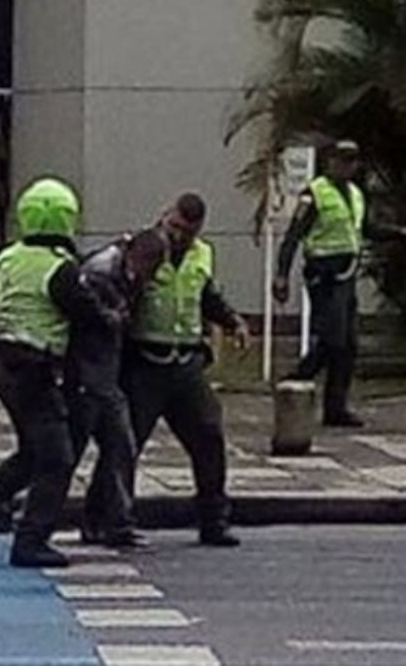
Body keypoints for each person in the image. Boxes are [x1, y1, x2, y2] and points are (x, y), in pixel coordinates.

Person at [0, 178, 117, 568]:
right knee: (58, 459)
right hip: (37, 371)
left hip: (5, 366)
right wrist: (113, 316)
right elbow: (87, 314)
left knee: (33, 453)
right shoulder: (60, 267)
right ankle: (31, 540)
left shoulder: (7, 258)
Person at [110, 192, 250, 548]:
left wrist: (232, 321)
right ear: (164, 215)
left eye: (187, 232)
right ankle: (110, 520)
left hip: (185, 361)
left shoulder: (202, 253)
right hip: (145, 360)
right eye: (173, 226)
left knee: (208, 436)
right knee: (125, 443)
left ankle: (213, 520)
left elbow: (206, 295)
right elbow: (119, 293)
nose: (177, 236)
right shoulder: (142, 248)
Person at [274, 139, 406, 427]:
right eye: (342, 160)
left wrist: (398, 232)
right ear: (330, 162)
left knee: (347, 344)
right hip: (324, 274)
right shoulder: (315, 193)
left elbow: (366, 229)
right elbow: (293, 236)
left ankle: (335, 407)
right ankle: (295, 381)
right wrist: (281, 274)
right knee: (334, 338)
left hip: (347, 274)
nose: (347, 166)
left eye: (352, 161)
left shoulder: (356, 194)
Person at [75, 229, 169, 548]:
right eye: (149, 267)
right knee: (67, 454)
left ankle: (115, 522)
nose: (149, 277)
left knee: (121, 445)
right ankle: (33, 521)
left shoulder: (128, 271)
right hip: (87, 373)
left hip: (106, 373)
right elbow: (95, 319)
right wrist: (117, 317)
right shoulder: (101, 273)